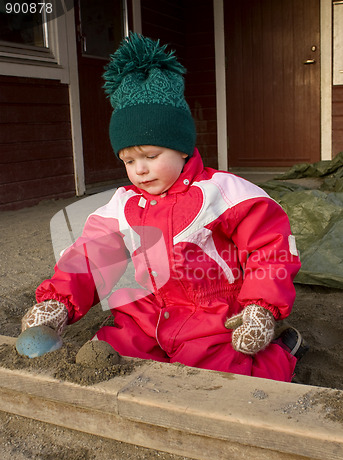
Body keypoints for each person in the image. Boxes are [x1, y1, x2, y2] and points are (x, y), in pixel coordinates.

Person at [21, 33, 306, 382]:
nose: (139, 169)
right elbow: (90, 257)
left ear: (182, 148)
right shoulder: (122, 205)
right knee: (106, 354)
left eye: (151, 156)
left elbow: (269, 249)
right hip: (145, 317)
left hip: (212, 318)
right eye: (128, 160)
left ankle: (279, 352)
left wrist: (261, 307)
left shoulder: (223, 194)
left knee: (226, 374)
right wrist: (58, 302)